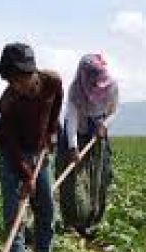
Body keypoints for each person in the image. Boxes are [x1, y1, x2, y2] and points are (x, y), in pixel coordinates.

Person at [0, 43, 63, 252]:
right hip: (11, 155)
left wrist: (52, 133)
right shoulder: (8, 103)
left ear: (33, 72)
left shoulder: (52, 82)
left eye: (23, 78)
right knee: (15, 215)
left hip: (39, 151)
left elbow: (56, 106)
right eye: (13, 81)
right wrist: (26, 175)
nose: (19, 85)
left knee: (46, 209)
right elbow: (10, 144)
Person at [57, 54, 118, 238]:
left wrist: (104, 125)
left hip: (98, 133)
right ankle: (73, 223)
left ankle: (93, 222)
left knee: (99, 178)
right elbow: (73, 120)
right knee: (70, 180)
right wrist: (73, 147)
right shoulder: (75, 89)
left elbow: (114, 110)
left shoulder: (111, 85)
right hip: (76, 133)